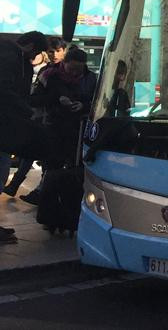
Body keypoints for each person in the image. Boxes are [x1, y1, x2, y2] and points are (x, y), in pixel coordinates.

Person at [25, 47, 96, 206]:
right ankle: (48, 207)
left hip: (78, 131)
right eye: (72, 69)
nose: (75, 73)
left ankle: (68, 206)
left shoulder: (91, 78)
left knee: (73, 168)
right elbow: (34, 100)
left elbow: (96, 101)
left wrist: (83, 106)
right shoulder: (49, 75)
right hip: (53, 128)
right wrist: (57, 99)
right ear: (64, 63)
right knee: (51, 167)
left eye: (79, 70)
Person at [0, 31, 50, 243]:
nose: (36, 56)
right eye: (37, 51)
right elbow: (5, 90)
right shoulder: (10, 56)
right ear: (29, 45)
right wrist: (26, 110)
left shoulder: (12, 55)